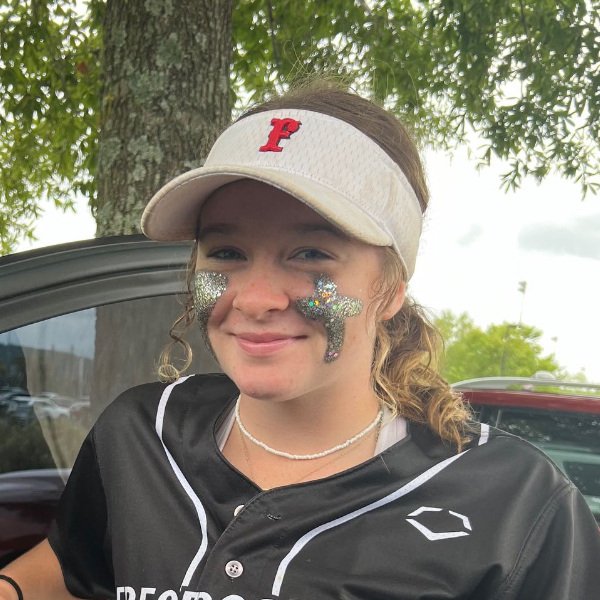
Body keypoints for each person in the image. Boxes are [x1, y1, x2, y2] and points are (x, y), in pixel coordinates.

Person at [1, 81, 599, 600]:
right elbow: (68, 572)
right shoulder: (140, 433)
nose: (255, 298)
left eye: (311, 253)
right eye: (226, 252)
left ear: (391, 289)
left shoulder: (517, 505)